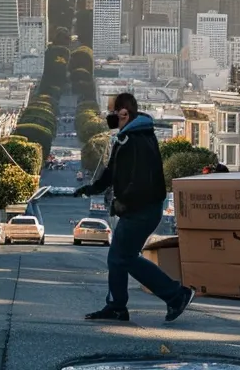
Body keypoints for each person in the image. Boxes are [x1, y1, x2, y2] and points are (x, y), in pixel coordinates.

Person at [74, 92, 196, 323]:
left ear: (123, 113)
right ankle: (121, 305)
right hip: (141, 209)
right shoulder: (128, 137)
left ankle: (174, 295)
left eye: (112, 113)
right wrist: (91, 189)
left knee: (122, 257)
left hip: (142, 210)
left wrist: (124, 202)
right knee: (121, 258)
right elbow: (112, 172)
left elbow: (141, 180)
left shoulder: (137, 140)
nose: (108, 117)